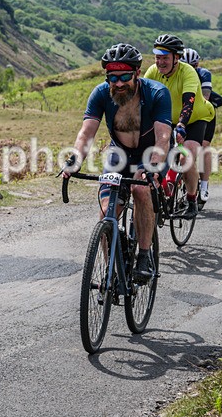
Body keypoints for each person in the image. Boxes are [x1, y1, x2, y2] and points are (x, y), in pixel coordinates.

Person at [65, 43, 172, 283]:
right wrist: (75, 160)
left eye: (125, 76)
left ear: (137, 73)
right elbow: (86, 133)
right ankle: (113, 269)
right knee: (106, 214)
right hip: (120, 153)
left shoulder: (157, 93)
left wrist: (153, 168)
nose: (119, 83)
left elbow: (163, 137)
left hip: (151, 152)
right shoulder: (101, 94)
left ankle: (144, 255)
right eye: (113, 77)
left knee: (140, 189)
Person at [144, 34, 216, 218]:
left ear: (176, 58)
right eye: (158, 57)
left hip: (195, 118)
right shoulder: (152, 72)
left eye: (165, 58)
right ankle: (161, 191)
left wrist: (182, 125)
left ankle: (192, 199)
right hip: (168, 118)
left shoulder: (188, 72)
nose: (160, 62)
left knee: (188, 154)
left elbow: (188, 102)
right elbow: (142, 102)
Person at [181, 48, 217, 202]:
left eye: (193, 66)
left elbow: (206, 96)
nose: (191, 68)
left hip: (203, 112)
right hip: (183, 112)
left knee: (203, 147)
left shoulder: (204, 74)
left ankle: (204, 186)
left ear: (198, 64)